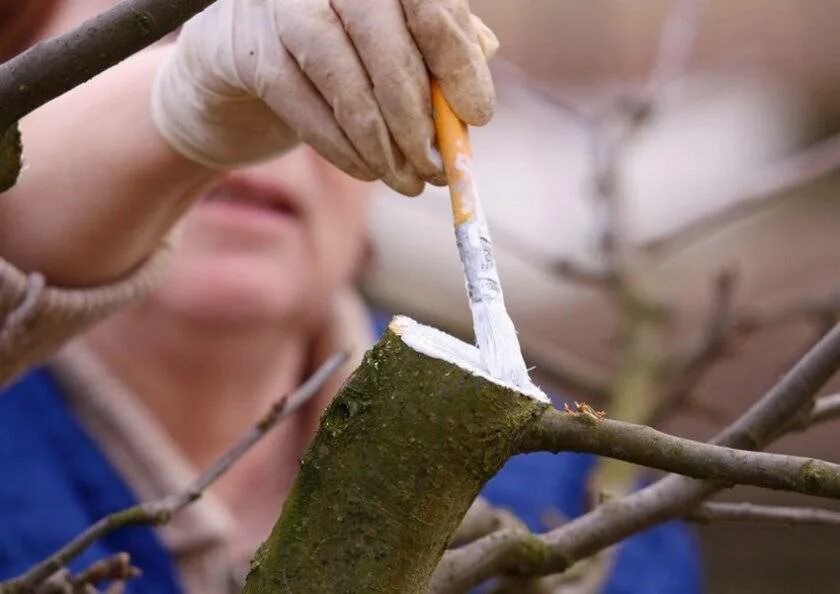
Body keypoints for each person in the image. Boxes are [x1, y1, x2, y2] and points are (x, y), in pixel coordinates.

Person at [0, 2, 702, 593]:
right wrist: (169, 111)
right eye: (160, 31)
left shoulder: (587, 517)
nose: (265, 115)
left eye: (336, 63)